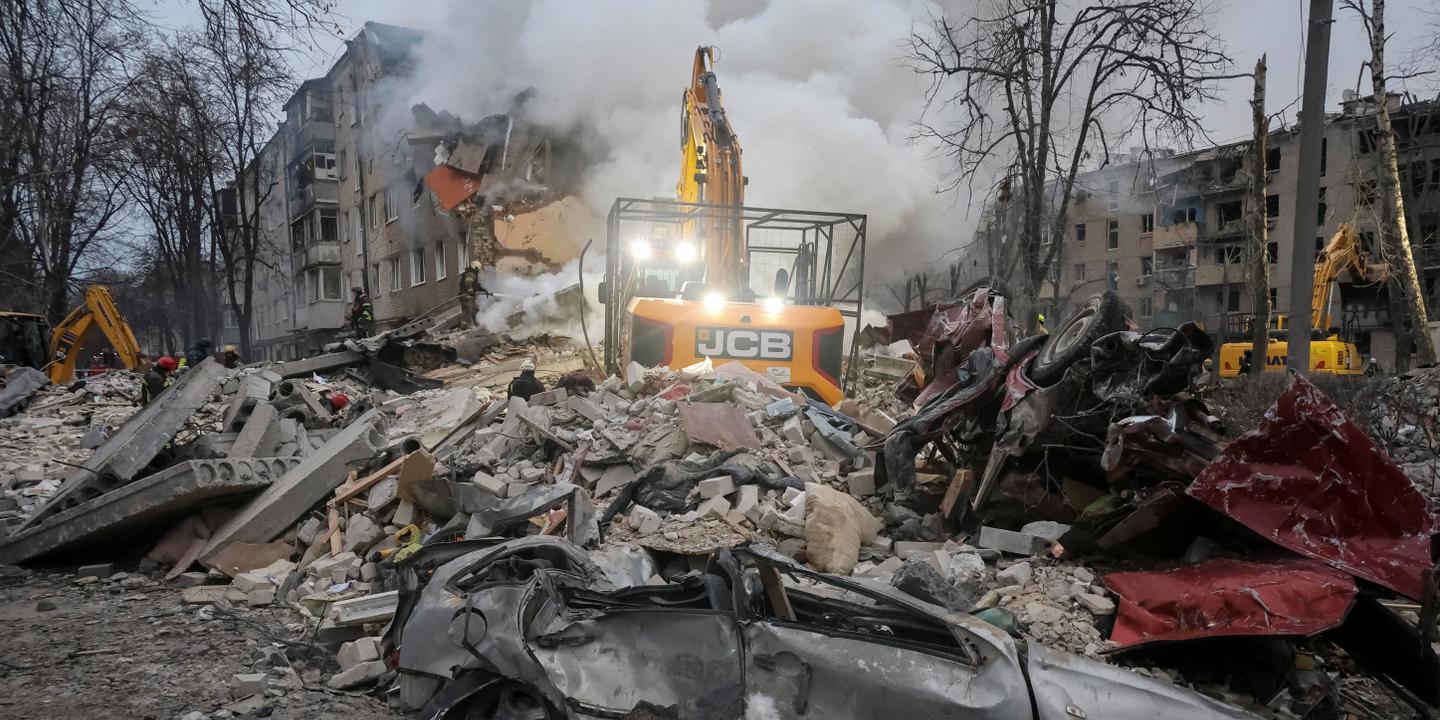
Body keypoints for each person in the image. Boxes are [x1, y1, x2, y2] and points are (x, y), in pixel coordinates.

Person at [458, 261, 491, 329]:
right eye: (478, 269)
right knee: (468, 310)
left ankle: (477, 324)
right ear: (475, 267)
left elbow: (476, 286)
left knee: (475, 309)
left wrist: (484, 290)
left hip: (470, 297)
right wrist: (471, 291)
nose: (479, 270)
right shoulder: (470, 274)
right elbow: (468, 283)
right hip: (466, 296)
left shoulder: (473, 274)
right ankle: (464, 326)